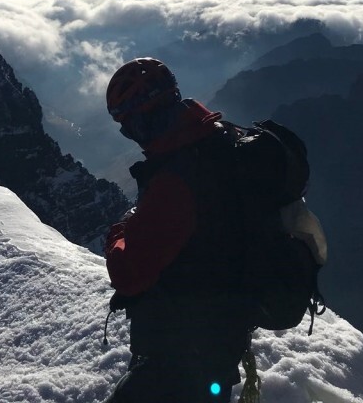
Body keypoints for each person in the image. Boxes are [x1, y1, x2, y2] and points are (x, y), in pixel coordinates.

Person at [102, 57, 251, 402]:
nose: (128, 134)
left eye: (128, 124)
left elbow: (128, 274)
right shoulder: (219, 138)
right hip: (221, 333)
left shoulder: (177, 176)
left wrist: (118, 234)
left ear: (142, 119)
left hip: (185, 351)